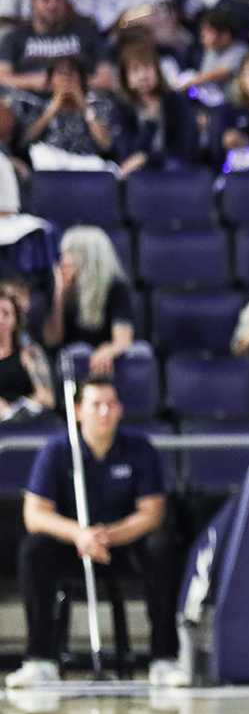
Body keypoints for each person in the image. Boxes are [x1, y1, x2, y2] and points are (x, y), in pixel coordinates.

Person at [4, 377, 175, 688]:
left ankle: (165, 658)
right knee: (33, 550)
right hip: (73, 547)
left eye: (111, 404)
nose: (104, 412)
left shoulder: (139, 450)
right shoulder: (56, 451)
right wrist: (79, 534)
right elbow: (35, 514)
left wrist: (106, 536)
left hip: (122, 547)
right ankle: (40, 660)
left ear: (120, 410)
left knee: (161, 548)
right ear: (79, 410)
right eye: (96, 405)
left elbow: (152, 514)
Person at [45, 226, 134, 380]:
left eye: (68, 253)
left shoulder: (115, 287)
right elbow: (52, 340)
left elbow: (122, 340)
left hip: (102, 363)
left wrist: (108, 350)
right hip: (69, 361)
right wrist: (59, 295)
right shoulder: (61, 288)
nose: (63, 260)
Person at [110, 41, 201, 177]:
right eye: (135, 70)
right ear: (126, 77)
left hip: (174, 171)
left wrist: (147, 159)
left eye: (147, 68)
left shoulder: (177, 101)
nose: (142, 76)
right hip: (137, 175)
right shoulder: (120, 107)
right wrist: (150, 124)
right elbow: (126, 154)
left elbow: (187, 149)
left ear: (157, 70)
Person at [22, 56, 115, 171]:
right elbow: (27, 140)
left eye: (71, 73)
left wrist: (84, 106)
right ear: (51, 80)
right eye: (60, 74)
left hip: (86, 161)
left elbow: (105, 144)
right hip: (52, 161)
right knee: (39, 152)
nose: (66, 78)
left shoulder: (96, 105)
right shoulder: (41, 106)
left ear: (81, 78)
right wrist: (52, 108)